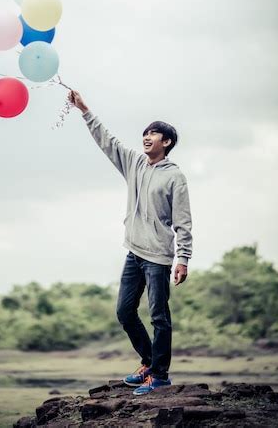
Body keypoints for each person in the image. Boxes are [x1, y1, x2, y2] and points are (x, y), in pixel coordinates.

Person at [68, 90, 193, 396]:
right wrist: (85, 110)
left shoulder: (175, 177)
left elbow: (183, 220)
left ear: (166, 142)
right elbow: (107, 141)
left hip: (158, 258)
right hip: (134, 253)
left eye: (154, 134)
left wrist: (183, 258)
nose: (147, 137)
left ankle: (160, 376)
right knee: (125, 312)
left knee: (159, 317)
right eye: (145, 133)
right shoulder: (134, 164)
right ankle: (149, 362)